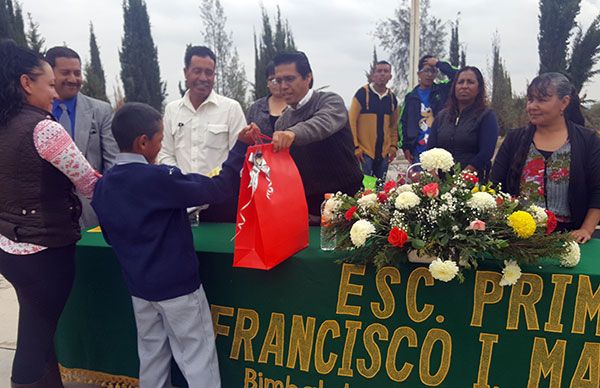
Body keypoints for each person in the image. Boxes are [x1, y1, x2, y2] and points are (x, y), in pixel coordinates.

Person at [92, 102, 257, 388]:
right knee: (196, 356)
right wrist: (240, 148)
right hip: (178, 288)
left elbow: (110, 234)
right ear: (143, 142)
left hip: (139, 288)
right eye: (160, 139)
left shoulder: (104, 185)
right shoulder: (158, 179)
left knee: (151, 354)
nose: (161, 145)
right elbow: (219, 189)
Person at [0, 40, 99, 388]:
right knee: (35, 340)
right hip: (45, 251)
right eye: (50, 85)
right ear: (27, 83)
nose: (55, 95)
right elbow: (89, 183)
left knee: (39, 330)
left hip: (10, 247)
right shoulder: (44, 129)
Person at [491, 72, 600, 243]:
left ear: (564, 102)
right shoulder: (514, 139)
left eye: (541, 100)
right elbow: (495, 186)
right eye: (530, 100)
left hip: (570, 239)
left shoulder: (587, 141)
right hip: (519, 237)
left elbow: (597, 190)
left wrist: (586, 229)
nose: (532, 106)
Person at [271, 51, 363, 221]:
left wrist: (293, 134)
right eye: (279, 80)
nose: (283, 86)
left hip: (350, 205)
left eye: (289, 79)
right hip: (310, 212)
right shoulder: (282, 122)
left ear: (308, 77)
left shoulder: (330, 102)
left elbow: (322, 123)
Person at [158, 45, 246, 222]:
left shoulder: (231, 108)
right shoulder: (172, 110)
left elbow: (240, 158)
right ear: (186, 73)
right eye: (197, 71)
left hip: (222, 204)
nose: (203, 78)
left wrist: (211, 186)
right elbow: (165, 153)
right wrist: (183, 182)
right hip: (181, 203)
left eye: (209, 72)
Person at [44, 46, 118, 229]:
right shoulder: (35, 112)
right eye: (65, 73)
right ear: (50, 74)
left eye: (77, 73)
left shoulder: (101, 111)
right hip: (46, 213)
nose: (73, 79)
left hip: (91, 212)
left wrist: (109, 203)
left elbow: (112, 162)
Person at [427, 66, 499, 180]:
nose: (464, 86)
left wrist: (461, 180)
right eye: (460, 82)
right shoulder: (442, 117)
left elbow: (486, 153)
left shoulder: (486, 116)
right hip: (441, 184)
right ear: (454, 87)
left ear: (479, 88)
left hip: (473, 184)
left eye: (470, 82)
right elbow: (430, 149)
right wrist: (433, 176)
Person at [400, 55, 458, 164]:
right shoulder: (411, 97)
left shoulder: (442, 90)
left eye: (433, 71)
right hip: (418, 151)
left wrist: (439, 64)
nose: (429, 74)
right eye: (426, 71)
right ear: (419, 74)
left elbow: (458, 75)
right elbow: (403, 122)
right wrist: (406, 147)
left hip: (440, 149)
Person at [349, 60, 400, 179]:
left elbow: (393, 126)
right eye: (379, 71)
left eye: (386, 71)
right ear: (373, 75)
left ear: (390, 76)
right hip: (364, 153)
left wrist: (393, 146)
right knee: (365, 190)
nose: (382, 74)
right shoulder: (362, 94)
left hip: (383, 154)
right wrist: (355, 147)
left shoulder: (392, 99)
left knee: (380, 190)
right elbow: (351, 121)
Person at [246, 61, 287, 137]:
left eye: (279, 79)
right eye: (272, 80)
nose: (276, 83)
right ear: (267, 83)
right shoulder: (255, 108)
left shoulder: (297, 105)